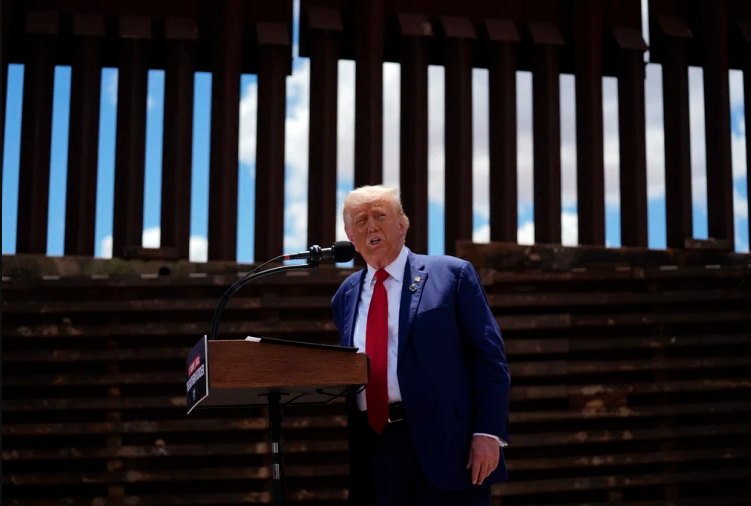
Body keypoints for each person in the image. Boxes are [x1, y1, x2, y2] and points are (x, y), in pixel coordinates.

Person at [331, 185, 511, 506]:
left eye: (380, 216)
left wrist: (488, 433)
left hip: (448, 445)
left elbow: (489, 359)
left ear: (402, 225)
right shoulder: (345, 294)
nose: (371, 227)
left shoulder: (452, 275)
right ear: (350, 237)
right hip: (376, 450)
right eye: (360, 221)